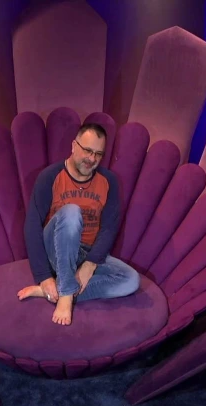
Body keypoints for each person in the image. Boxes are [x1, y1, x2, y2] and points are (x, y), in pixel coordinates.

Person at [17, 122, 140, 326]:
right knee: (72, 212)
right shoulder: (50, 176)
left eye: (98, 154)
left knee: (131, 280)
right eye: (87, 150)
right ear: (74, 146)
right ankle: (65, 293)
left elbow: (109, 228)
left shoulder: (109, 181)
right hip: (56, 249)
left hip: (87, 253)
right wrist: (44, 276)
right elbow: (32, 226)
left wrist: (89, 265)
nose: (92, 159)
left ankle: (56, 291)